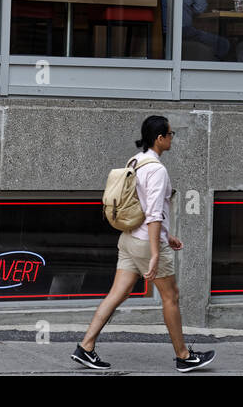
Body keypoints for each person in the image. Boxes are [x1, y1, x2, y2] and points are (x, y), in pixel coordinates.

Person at [72, 116, 216, 372]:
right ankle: (184, 356)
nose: (173, 138)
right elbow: (153, 214)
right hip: (145, 244)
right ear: (160, 138)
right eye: (171, 134)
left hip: (128, 239)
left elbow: (139, 206)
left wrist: (167, 235)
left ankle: (86, 347)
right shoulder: (158, 169)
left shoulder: (135, 161)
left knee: (117, 294)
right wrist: (154, 252)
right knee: (171, 297)